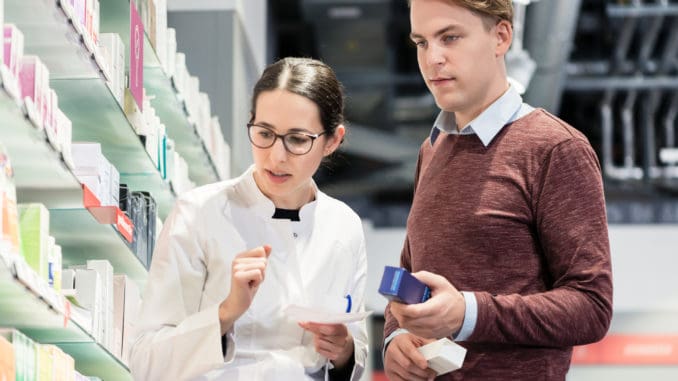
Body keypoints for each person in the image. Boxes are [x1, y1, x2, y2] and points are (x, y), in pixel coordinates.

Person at [383, 1, 613, 380]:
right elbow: (413, 271)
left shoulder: (555, 148)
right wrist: (397, 336)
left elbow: (592, 307)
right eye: (421, 42)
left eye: (450, 37)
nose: (433, 58)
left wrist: (468, 313)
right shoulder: (433, 149)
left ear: (501, 36)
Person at [129, 57, 368, 381]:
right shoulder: (199, 212)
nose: (276, 156)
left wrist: (344, 351)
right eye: (264, 133)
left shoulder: (344, 227)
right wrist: (226, 313)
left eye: (297, 139)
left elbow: (354, 358)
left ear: (332, 140)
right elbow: (145, 362)